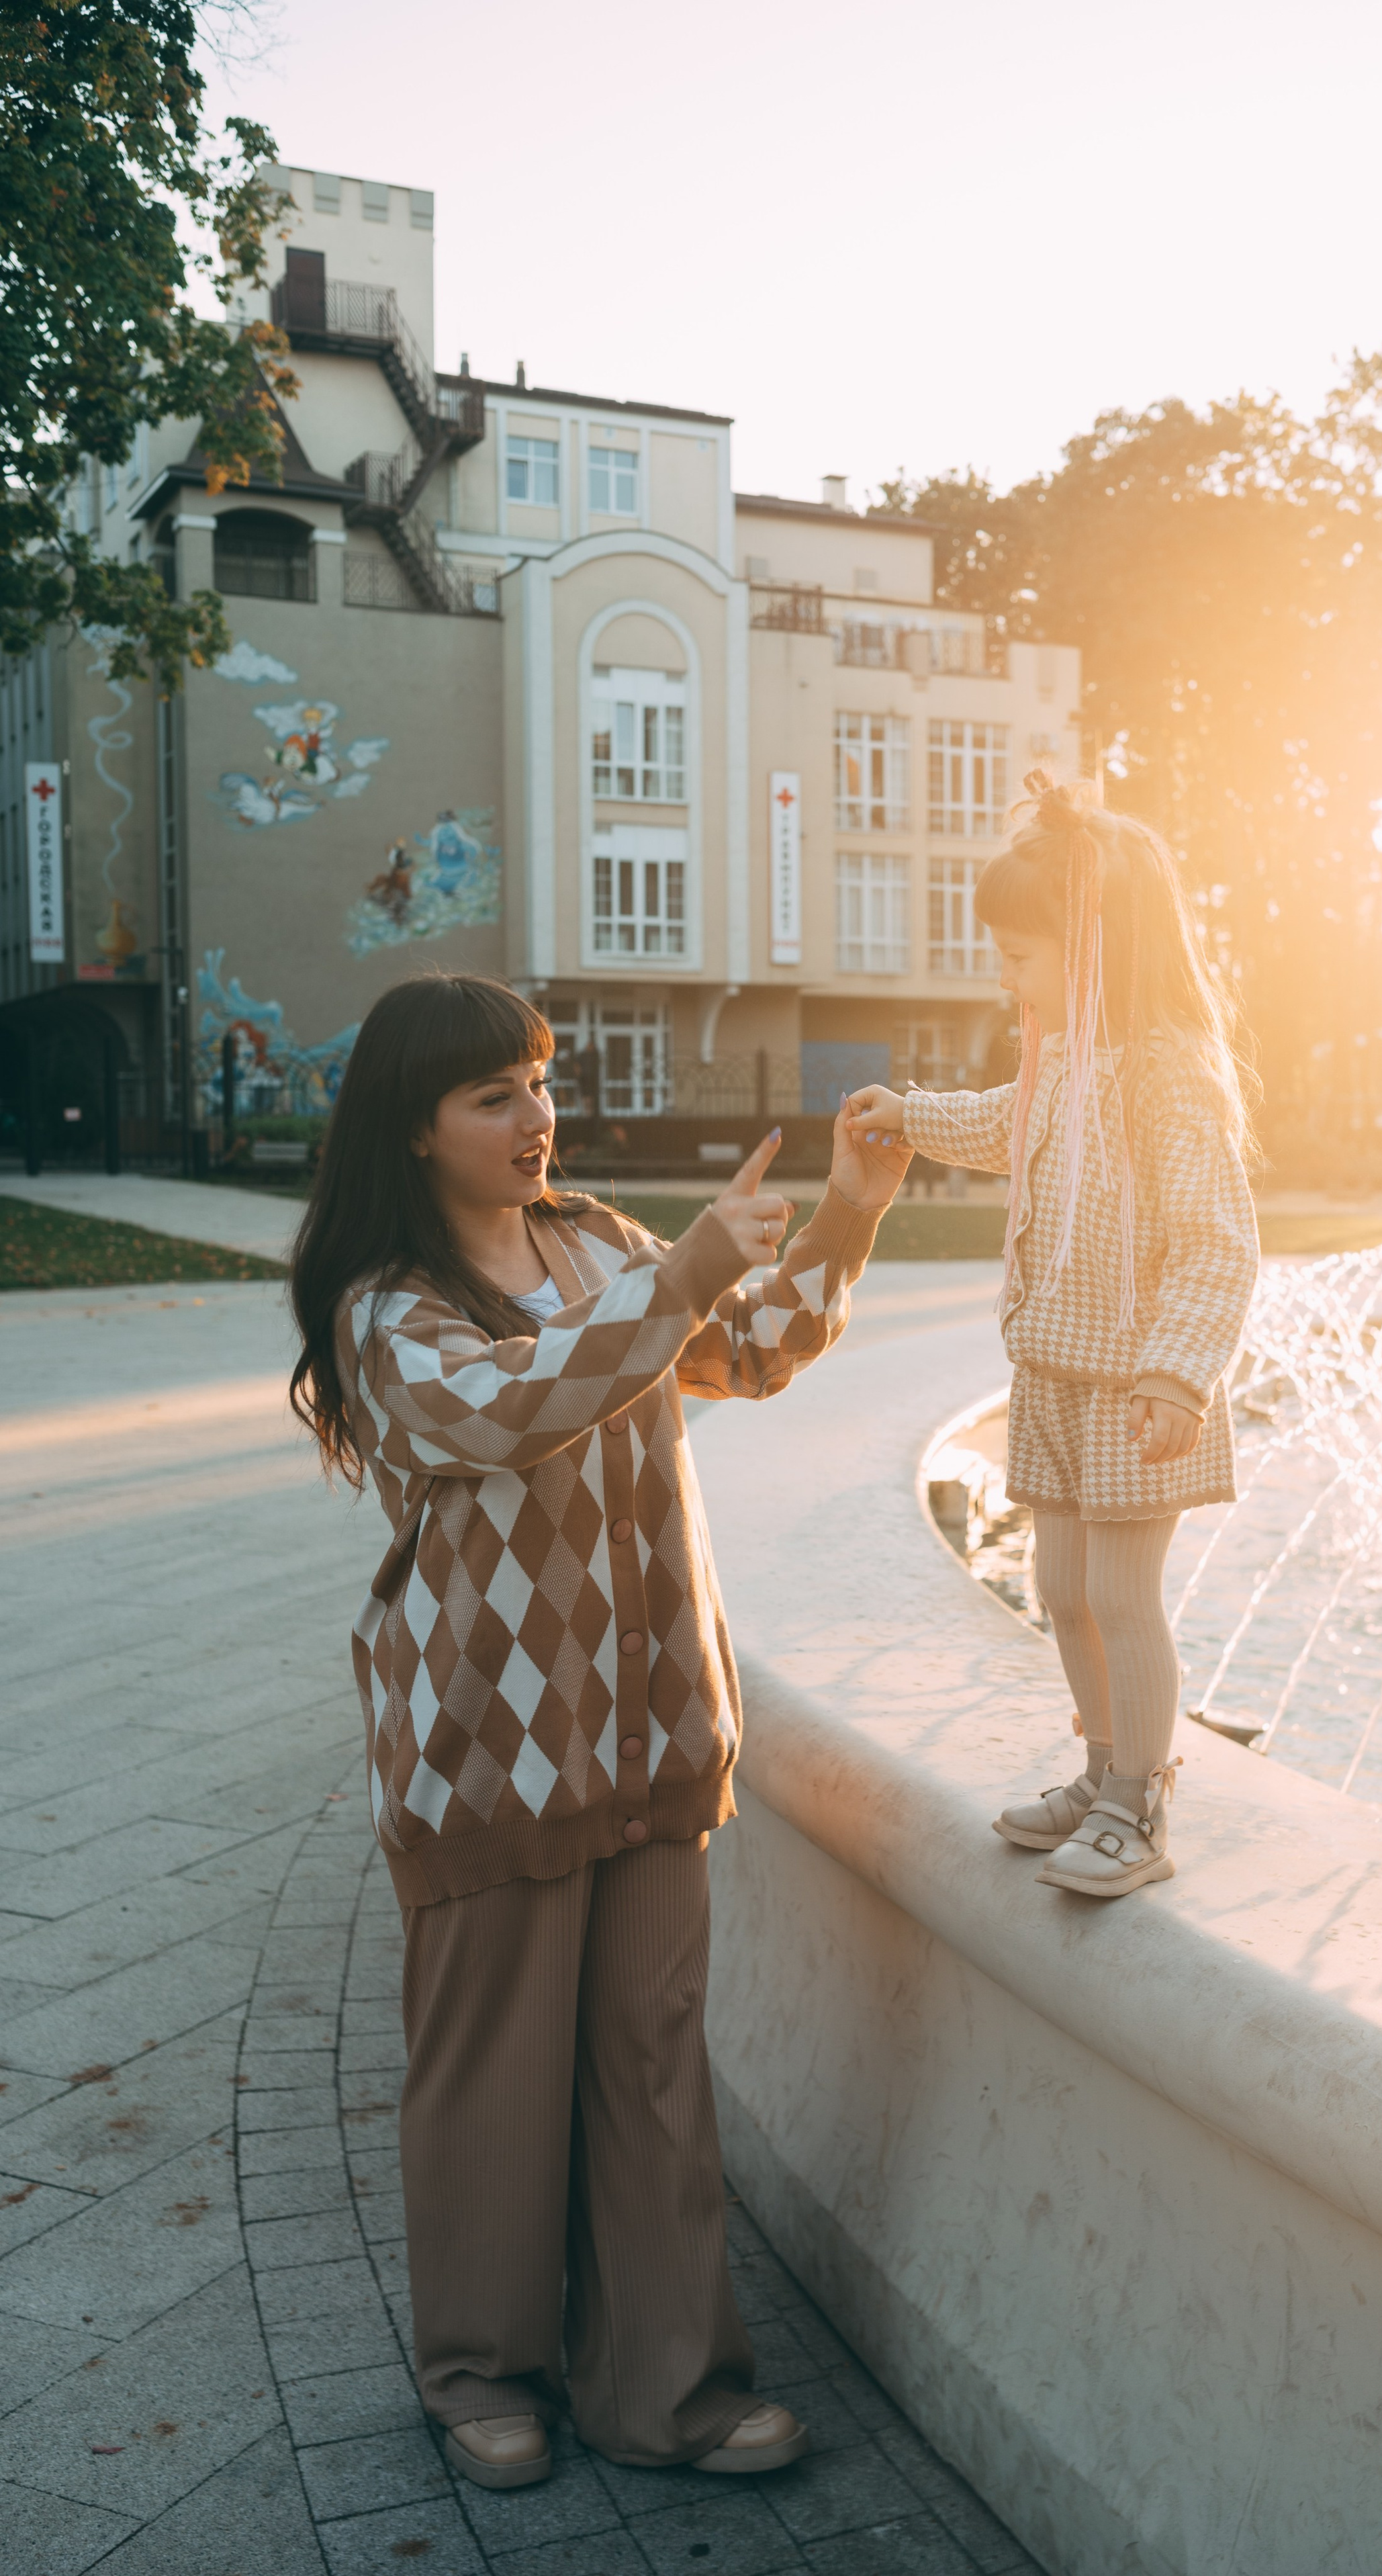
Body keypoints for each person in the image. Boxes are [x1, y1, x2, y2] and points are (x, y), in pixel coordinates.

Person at [289, 973, 909, 2492]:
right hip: (490, 1747)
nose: (535, 1114)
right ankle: (482, 2373)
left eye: (540, 1081)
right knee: (492, 2076)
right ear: (414, 1129)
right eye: (492, 1093)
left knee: (647, 2060)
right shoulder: (387, 1306)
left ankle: (667, 2390)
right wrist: (683, 1274)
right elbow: (503, 1410)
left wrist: (851, 1207)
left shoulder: (600, 1243)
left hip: (651, 1729)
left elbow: (751, 1349)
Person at [846, 772, 1258, 1898]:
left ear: (1097, 948)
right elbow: (1001, 1123)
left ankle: (1144, 1801)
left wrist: (1179, 1376)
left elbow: (1219, 1244)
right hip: (1055, 1378)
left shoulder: (1170, 1076)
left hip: (1136, 1387)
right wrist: (912, 1114)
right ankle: (1100, 1772)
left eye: (1020, 957)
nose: (1004, 976)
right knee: (1064, 1589)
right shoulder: (1062, 1058)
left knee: (1123, 1597)